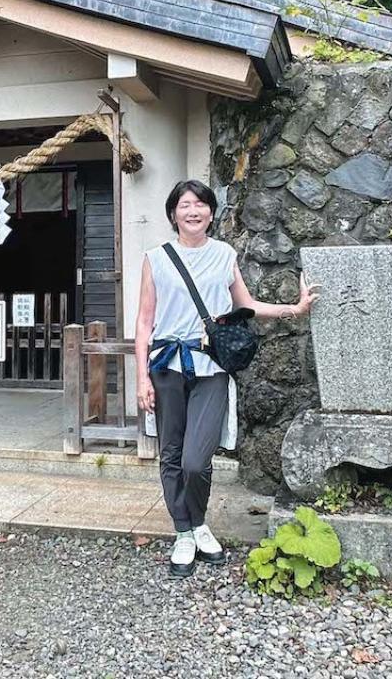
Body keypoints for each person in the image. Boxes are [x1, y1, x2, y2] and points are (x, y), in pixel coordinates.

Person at [135, 179, 317, 577]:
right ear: (173, 214)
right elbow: (145, 322)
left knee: (196, 461)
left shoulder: (224, 254)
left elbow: (246, 305)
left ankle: (197, 522)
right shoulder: (156, 258)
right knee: (170, 454)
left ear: (212, 213)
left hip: (211, 368)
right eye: (185, 205)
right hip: (166, 366)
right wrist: (141, 379)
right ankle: (186, 531)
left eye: (200, 204)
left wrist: (295, 309)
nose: (193, 211)